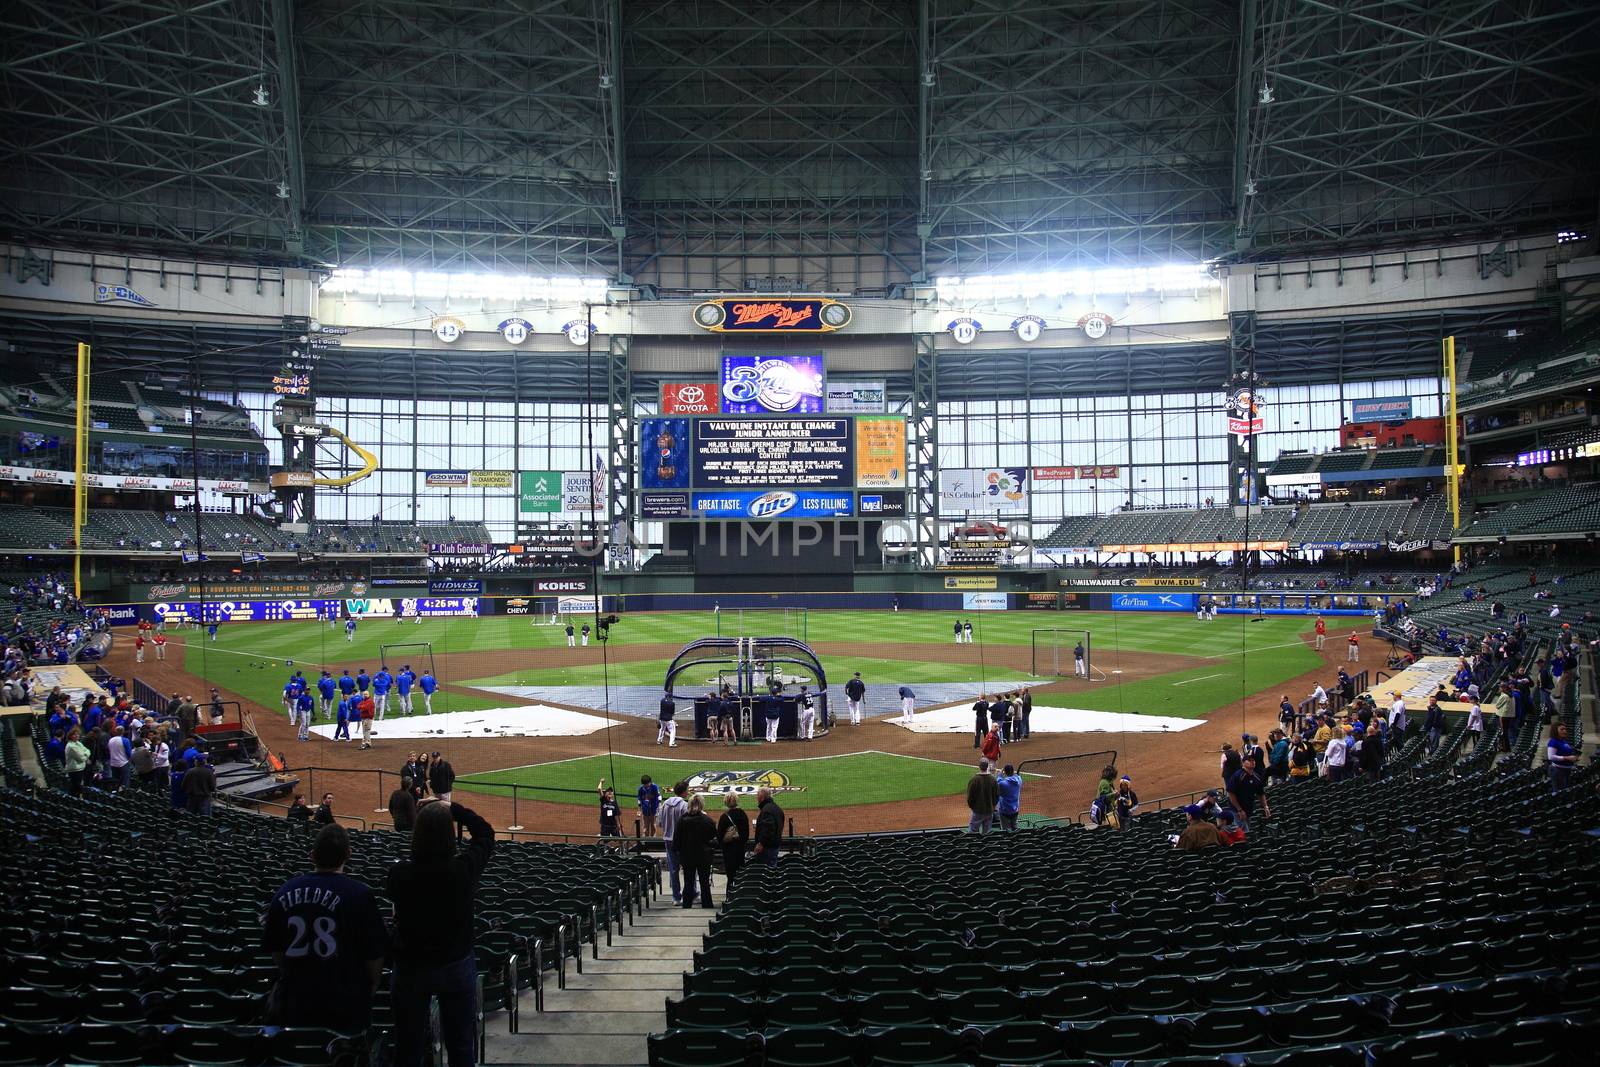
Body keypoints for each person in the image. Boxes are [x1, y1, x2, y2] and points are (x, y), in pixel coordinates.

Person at [389, 800, 495, 1067]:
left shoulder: (399, 874)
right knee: (460, 1045)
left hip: (411, 968)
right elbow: (485, 834)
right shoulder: (462, 871)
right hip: (455, 966)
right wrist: (454, 808)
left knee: (409, 1045)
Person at [263, 825, 387, 1030]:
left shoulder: (284, 891)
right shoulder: (359, 894)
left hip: (295, 1000)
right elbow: (374, 954)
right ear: (348, 854)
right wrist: (371, 986)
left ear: (312, 855)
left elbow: (275, 949)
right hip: (344, 1002)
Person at [673, 796, 717, 908]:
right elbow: (714, 837)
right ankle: (707, 904)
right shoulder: (707, 820)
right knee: (704, 882)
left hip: (687, 856)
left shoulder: (682, 820)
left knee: (688, 881)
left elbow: (676, 840)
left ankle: (687, 905)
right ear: (702, 805)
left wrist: (679, 853)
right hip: (703, 856)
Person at [660, 781, 690, 902]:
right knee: (688, 867)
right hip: (682, 841)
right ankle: (690, 894)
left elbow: (659, 823)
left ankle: (676, 897)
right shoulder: (684, 805)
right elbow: (687, 824)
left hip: (668, 840)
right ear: (683, 792)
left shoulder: (664, 804)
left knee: (673, 869)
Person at [1225, 753, 1269, 834]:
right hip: (1237, 811)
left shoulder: (1256, 776)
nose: (1252, 762)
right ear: (1243, 763)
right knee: (1244, 832)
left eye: (1253, 760)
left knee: (1246, 830)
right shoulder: (1238, 776)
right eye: (1249, 760)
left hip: (1249, 810)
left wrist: (1265, 806)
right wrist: (1239, 810)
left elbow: (1261, 793)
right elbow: (1231, 793)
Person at [717, 793, 750, 879]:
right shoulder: (743, 814)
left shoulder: (724, 817)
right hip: (740, 849)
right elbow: (746, 834)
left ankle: (730, 892)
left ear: (726, 802)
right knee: (741, 875)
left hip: (728, 851)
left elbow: (720, 836)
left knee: (731, 876)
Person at [752, 786, 784, 866]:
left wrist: (761, 844)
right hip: (775, 845)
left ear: (762, 797)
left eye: (757, 795)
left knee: (766, 871)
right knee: (772, 870)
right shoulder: (777, 808)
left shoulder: (766, 810)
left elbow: (768, 829)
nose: (756, 797)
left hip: (767, 848)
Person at [966, 759, 998, 834]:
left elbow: (970, 797)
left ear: (979, 766)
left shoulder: (974, 780)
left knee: (973, 831)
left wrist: (972, 807)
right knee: (987, 833)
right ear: (987, 767)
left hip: (978, 810)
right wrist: (992, 806)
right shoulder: (993, 779)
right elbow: (997, 796)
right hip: (989, 811)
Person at [1547, 723, 1578, 792]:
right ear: (1555, 731)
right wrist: (1566, 758)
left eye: (1565, 729)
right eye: (1562, 729)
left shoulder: (1563, 741)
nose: (1564, 731)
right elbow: (1551, 757)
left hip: (1566, 770)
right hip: (1557, 770)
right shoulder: (1553, 742)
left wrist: (1573, 758)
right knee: (1558, 793)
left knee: (1565, 791)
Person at [995, 764, 1022, 831]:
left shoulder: (1002, 784)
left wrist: (999, 774)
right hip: (1015, 809)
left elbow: (997, 783)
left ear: (1005, 772)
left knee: (1005, 829)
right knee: (1015, 827)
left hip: (1005, 810)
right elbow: (1017, 776)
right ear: (1013, 771)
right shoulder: (1019, 780)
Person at [63, 728, 89, 796]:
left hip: (80, 768)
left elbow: (87, 750)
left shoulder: (78, 743)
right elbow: (81, 758)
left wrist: (85, 753)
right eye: (74, 734)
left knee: (77, 787)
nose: (77, 736)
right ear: (70, 736)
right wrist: (86, 755)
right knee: (75, 788)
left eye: (77, 734)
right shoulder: (71, 746)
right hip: (75, 770)